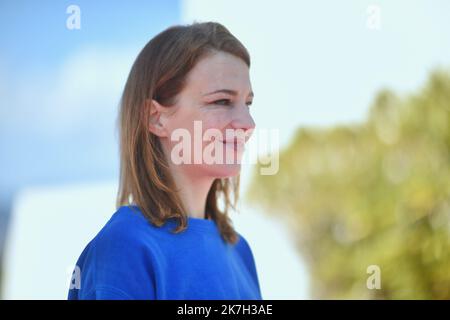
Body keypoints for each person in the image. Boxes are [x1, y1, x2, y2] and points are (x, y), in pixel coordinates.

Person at [68, 21, 261, 300]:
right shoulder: (125, 248)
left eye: (248, 103)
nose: (248, 123)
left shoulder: (239, 251)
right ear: (156, 118)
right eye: (222, 101)